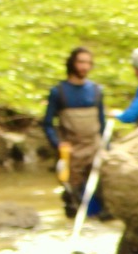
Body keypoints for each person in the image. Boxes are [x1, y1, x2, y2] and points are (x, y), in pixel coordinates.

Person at [42, 47, 106, 218]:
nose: (84, 66)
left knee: (100, 192)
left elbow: (102, 123)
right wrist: (58, 144)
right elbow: (47, 123)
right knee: (73, 198)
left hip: (94, 147)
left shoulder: (96, 91)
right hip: (72, 151)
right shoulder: (59, 92)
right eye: (80, 62)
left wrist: (106, 146)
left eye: (88, 63)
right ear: (72, 64)